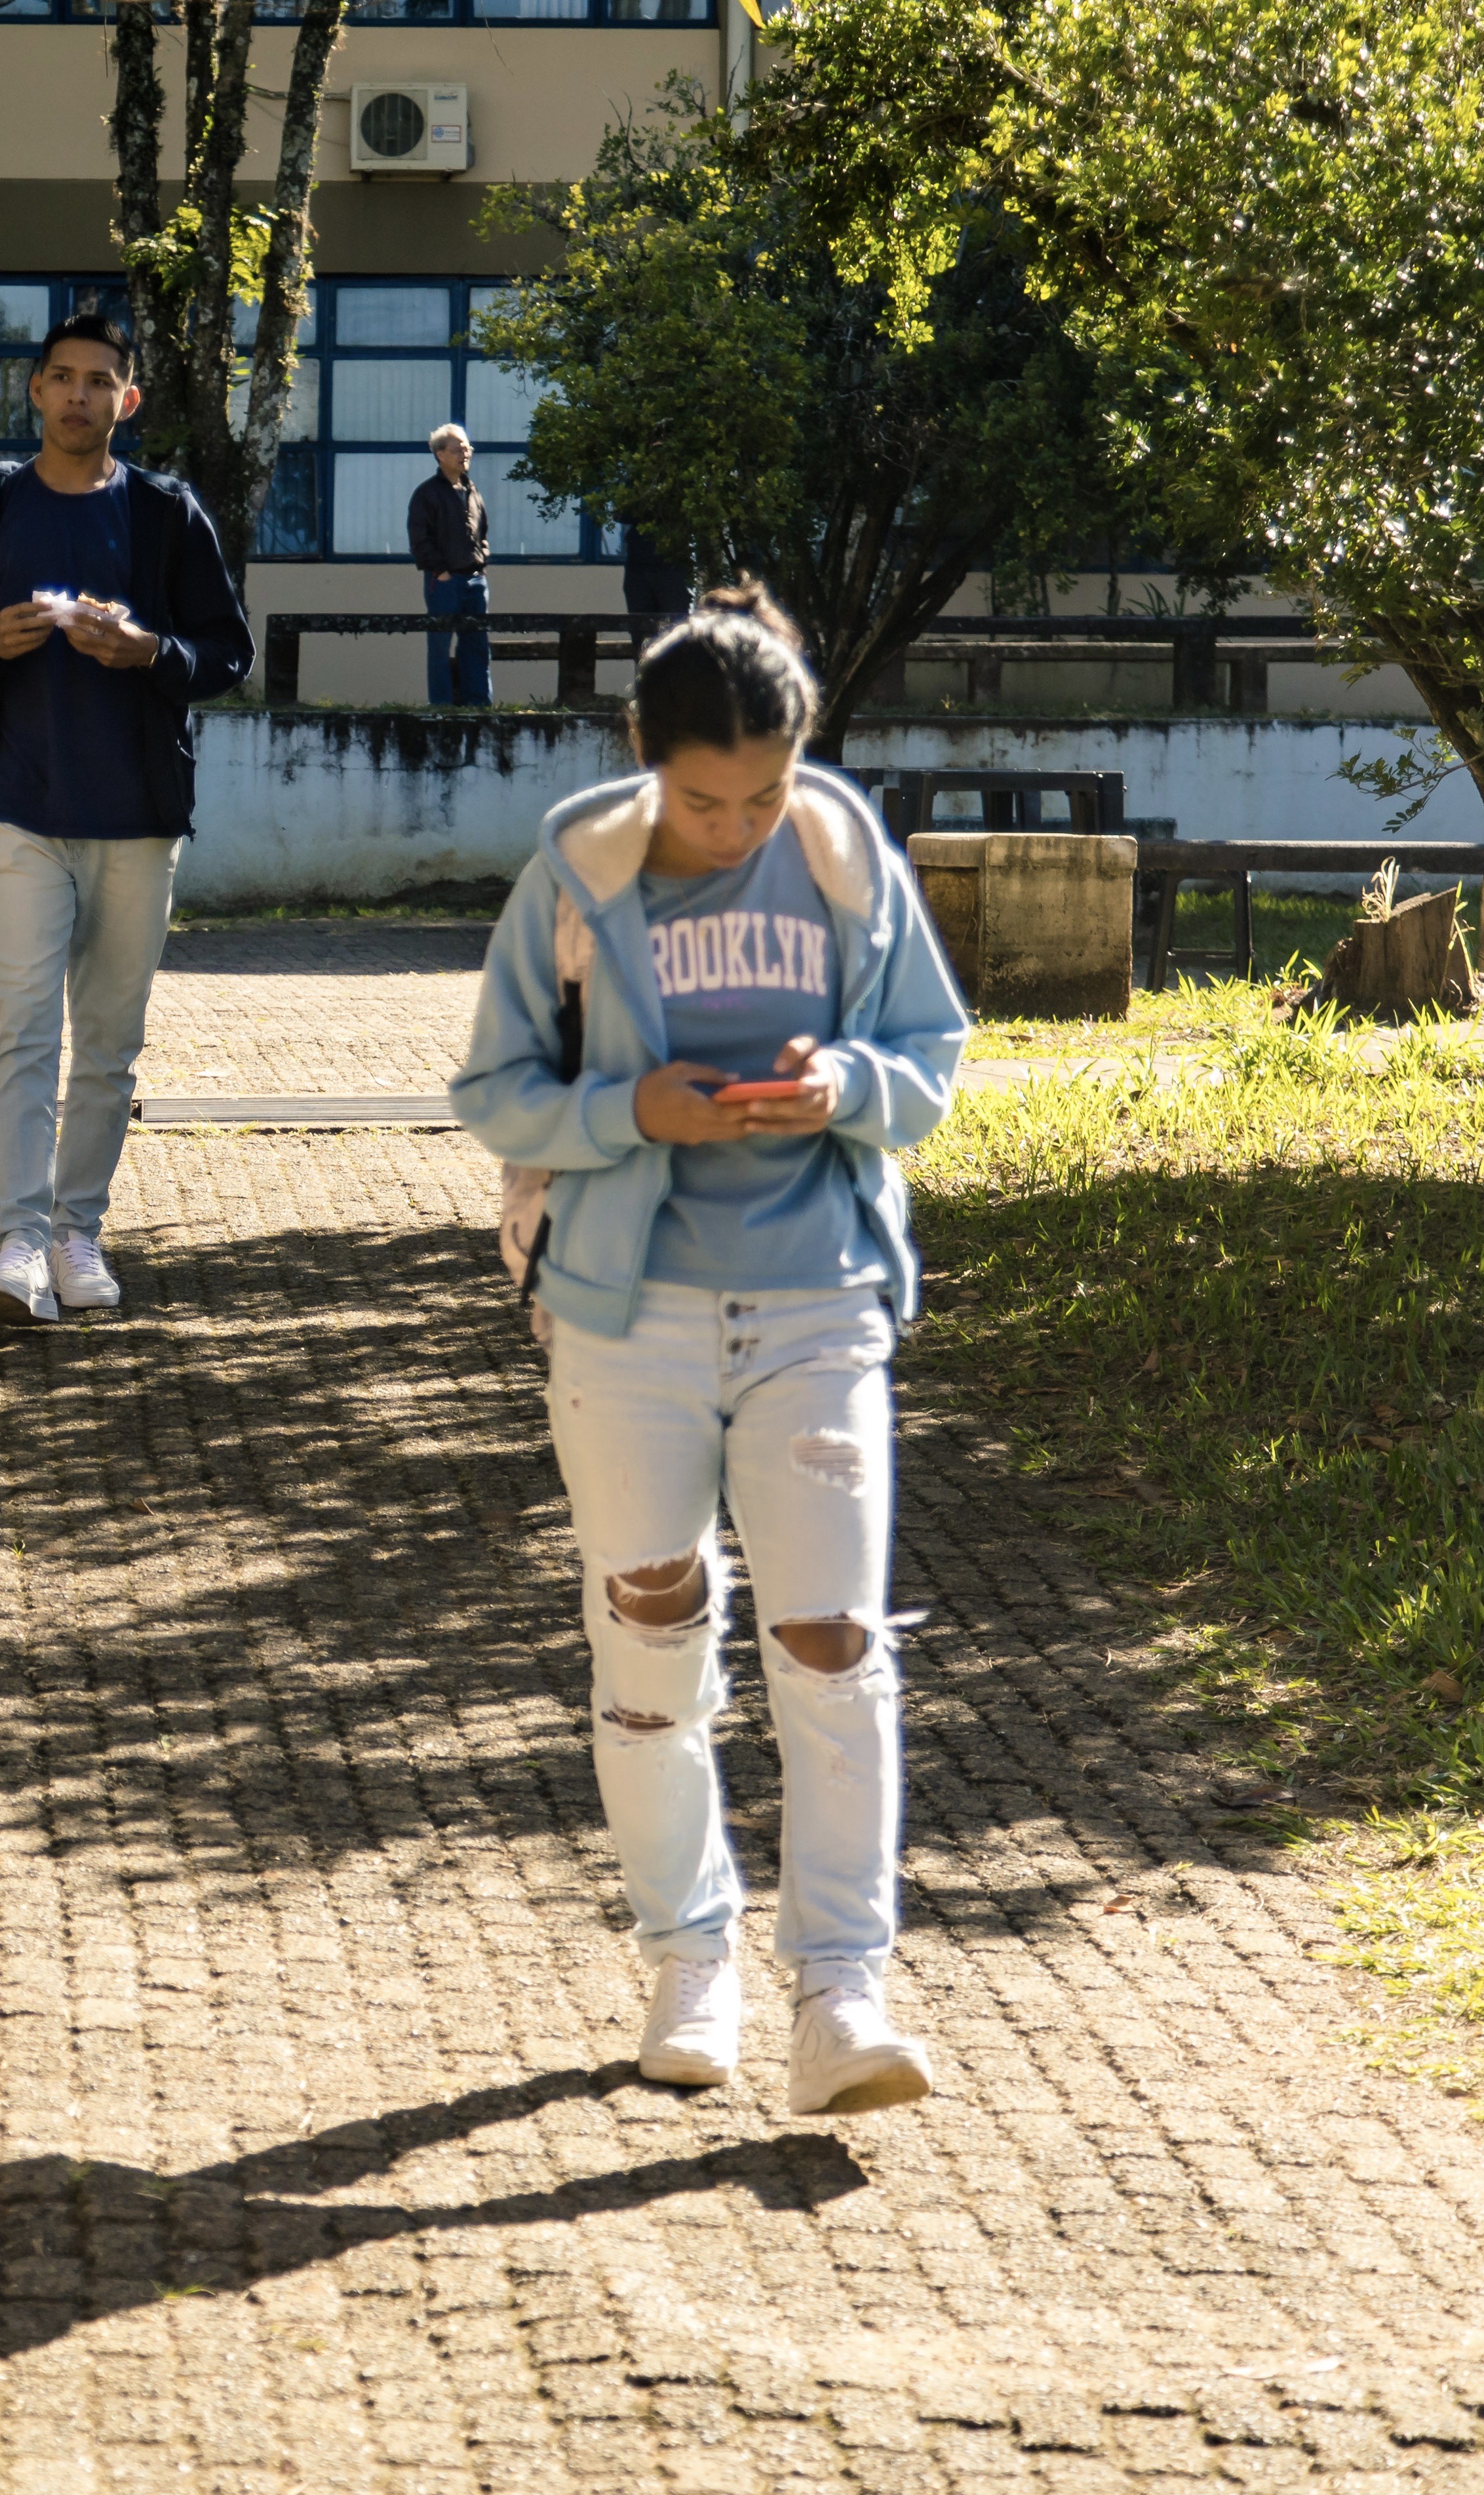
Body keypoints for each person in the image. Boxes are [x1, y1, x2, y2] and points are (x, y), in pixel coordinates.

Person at [450, 583, 971, 2117]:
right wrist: (632, 1110)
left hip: (819, 1299)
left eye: (763, 794)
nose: (738, 825)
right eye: (703, 800)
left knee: (834, 1641)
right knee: (651, 1620)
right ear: (644, 757)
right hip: (628, 1314)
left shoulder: (842, 850)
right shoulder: (576, 870)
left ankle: (840, 1991)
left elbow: (930, 1060)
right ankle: (689, 1957)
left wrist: (845, 1084)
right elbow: (494, 1088)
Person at [0, 310, 254, 1324]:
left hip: (137, 816)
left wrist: (149, 651)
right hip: (16, 808)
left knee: (108, 1042)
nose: (78, 395)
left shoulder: (165, 512)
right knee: (25, 1029)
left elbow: (226, 652)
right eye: (61, 377)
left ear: (127, 399)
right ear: (35, 391)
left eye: (99, 381)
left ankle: (78, 1232)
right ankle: (19, 1240)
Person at [409, 424, 493, 708]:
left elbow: (483, 533)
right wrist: (440, 571)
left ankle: (478, 705)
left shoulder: (472, 491)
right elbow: (420, 539)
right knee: (440, 647)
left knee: (477, 645)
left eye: (467, 448)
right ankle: (442, 707)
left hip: (475, 581)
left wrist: (482, 561)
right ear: (440, 454)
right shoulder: (427, 494)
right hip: (444, 581)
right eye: (458, 449)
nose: (465, 454)